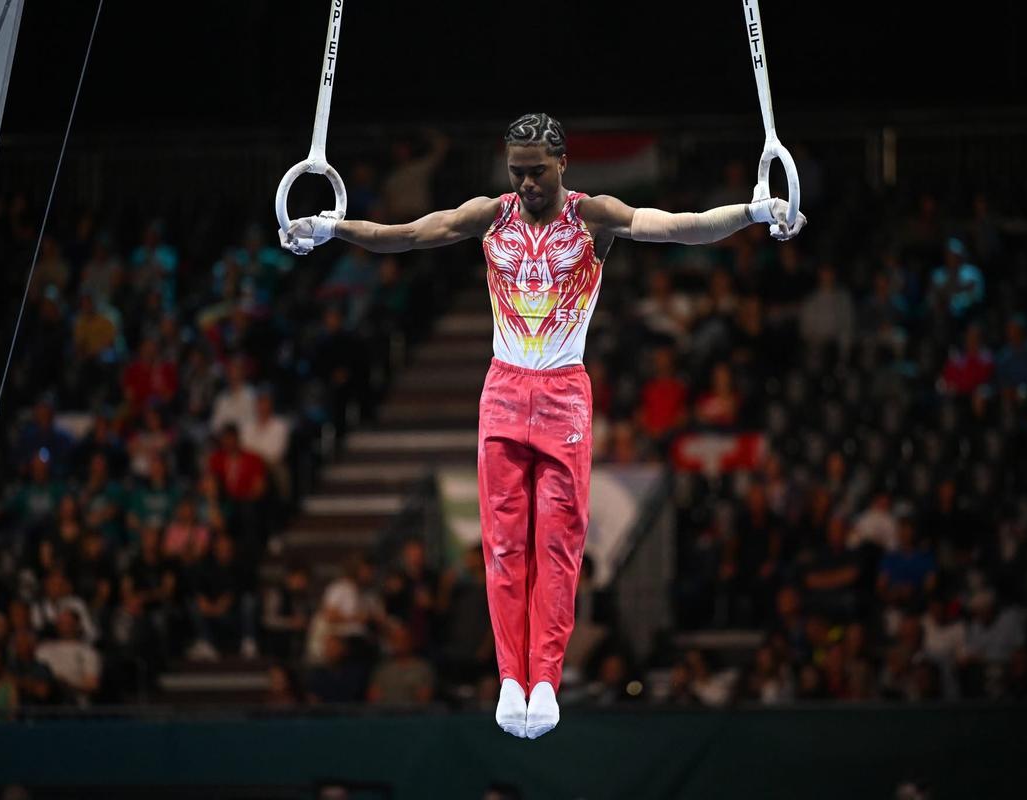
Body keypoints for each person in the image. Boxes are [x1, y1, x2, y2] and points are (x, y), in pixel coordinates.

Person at [282, 112, 806, 739]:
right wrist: (329, 227)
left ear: (563, 164)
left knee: (557, 545)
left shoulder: (594, 217)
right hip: (503, 391)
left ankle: (545, 682)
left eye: (537, 172)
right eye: (517, 172)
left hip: (563, 395)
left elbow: (682, 229)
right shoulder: (488, 214)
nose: (526, 183)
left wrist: (752, 212)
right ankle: (510, 677)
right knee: (504, 545)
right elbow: (405, 236)